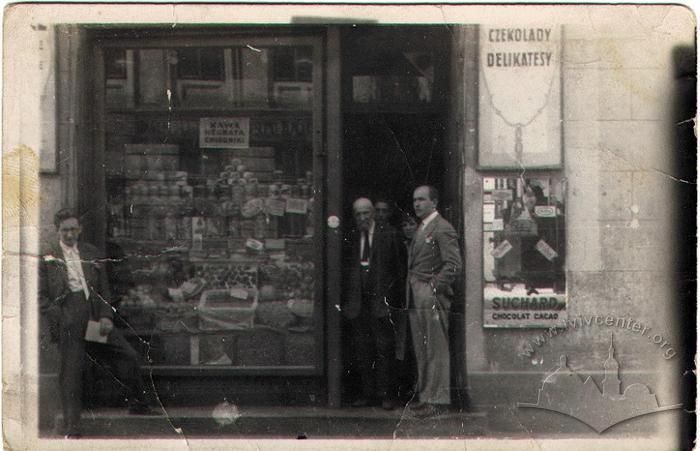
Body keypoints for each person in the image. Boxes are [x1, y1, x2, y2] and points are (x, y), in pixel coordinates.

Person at [39, 209, 158, 438]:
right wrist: (59, 315)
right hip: (69, 317)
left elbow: (103, 289)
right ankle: (72, 427)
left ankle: (139, 403)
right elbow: (40, 295)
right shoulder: (48, 256)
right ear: (58, 231)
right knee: (71, 372)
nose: (70, 234)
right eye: (65, 230)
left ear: (80, 229)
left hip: (93, 315)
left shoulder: (91, 253)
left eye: (74, 229)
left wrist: (106, 316)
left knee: (126, 354)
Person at [343, 198, 406, 410]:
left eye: (365, 214)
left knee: (384, 349)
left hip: (381, 303)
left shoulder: (389, 235)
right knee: (362, 350)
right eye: (358, 214)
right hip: (358, 303)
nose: (362, 218)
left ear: (373, 213)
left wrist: (394, 301)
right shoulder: (351, 236)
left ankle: (387, 395)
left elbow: (399, 270)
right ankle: (368, 393)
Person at [407, 186, 462, 416]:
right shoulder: (422, 227)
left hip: (430, 294)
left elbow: (454, 264)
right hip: (416, 293)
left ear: (434, 202)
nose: (416, 204)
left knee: (436, 348)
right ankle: (426, 395)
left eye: (421, 199)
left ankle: (437, 400)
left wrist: (433, 289)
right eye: (414, 200)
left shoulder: (442, 228)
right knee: (423, 348)